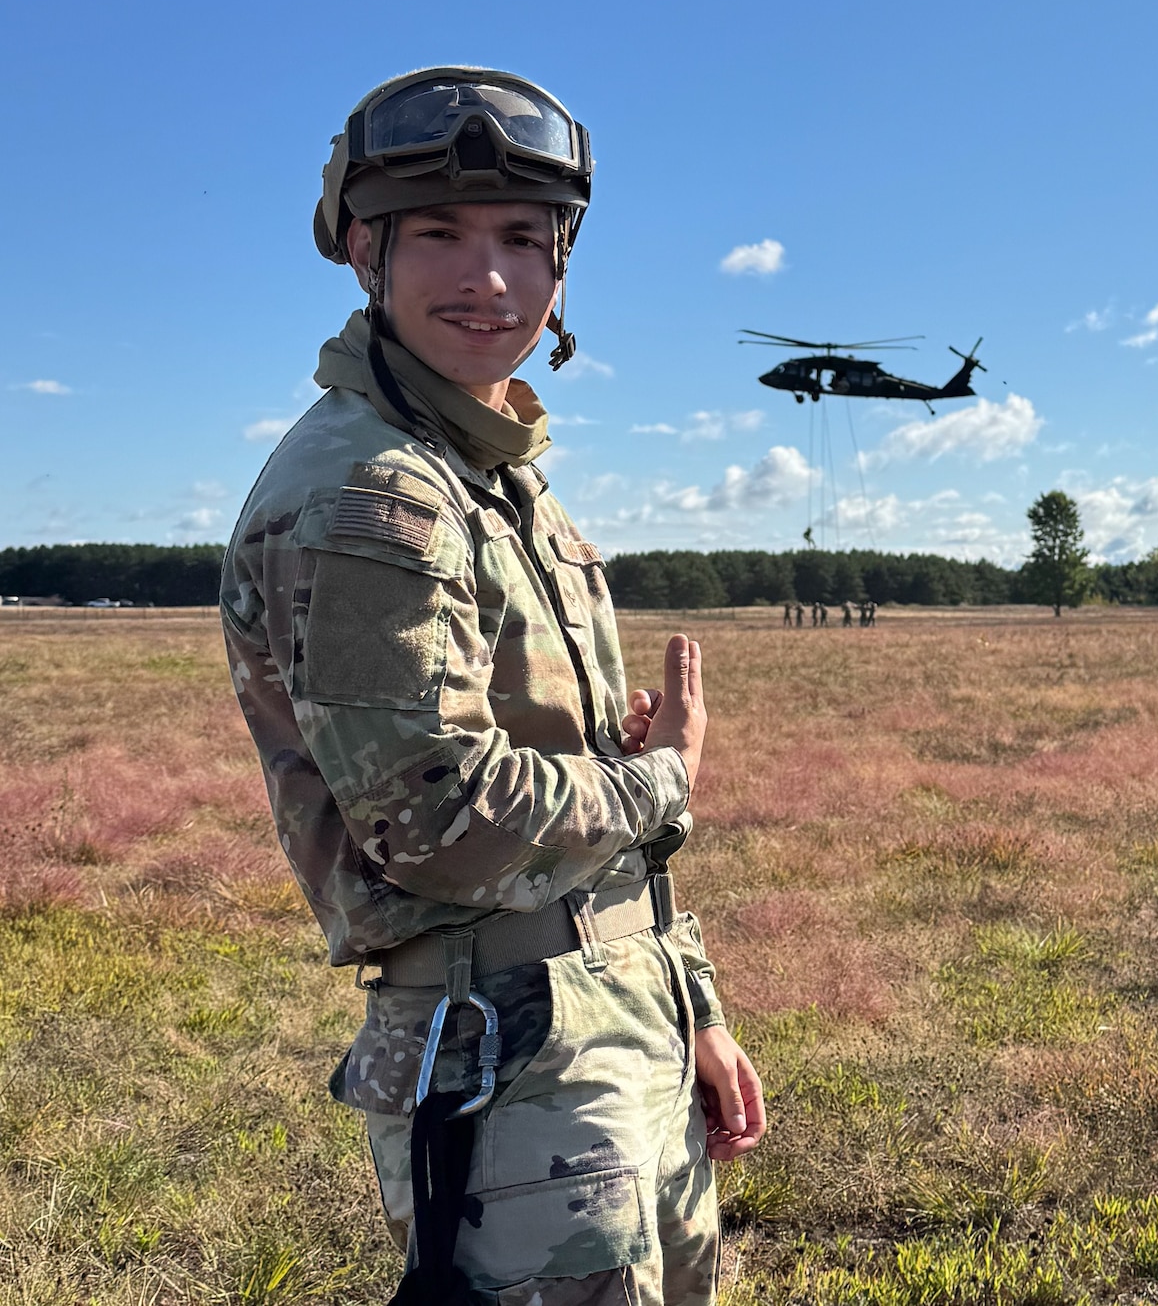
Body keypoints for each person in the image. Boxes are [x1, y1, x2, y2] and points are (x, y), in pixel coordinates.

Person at [219, 68, 762, 1304]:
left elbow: (579, 806)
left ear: (562, 268)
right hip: (515, 1067)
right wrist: (661, 779)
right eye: (442, 236)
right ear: (365, 249)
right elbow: (438, 821)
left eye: (525, 239)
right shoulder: (377, 493)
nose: (490, 279)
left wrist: (689, 1007)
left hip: (607, 1028)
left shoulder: (487, 471)